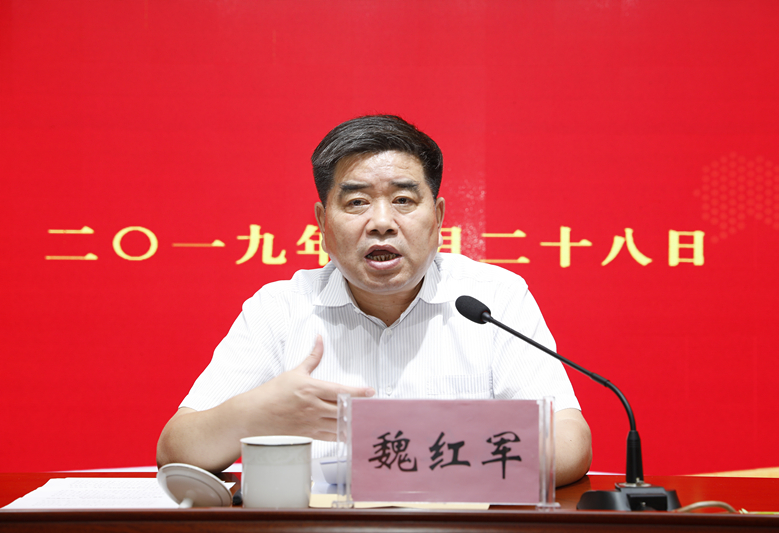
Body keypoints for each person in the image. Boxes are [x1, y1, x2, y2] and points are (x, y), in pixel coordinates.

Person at [156, 115, 592, 486]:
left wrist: (420, 455)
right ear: (323, 223)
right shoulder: (281, 308)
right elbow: (177, 451)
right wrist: (255, 413)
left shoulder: (494, 297)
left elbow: (569, 441)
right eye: (357, 202)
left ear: (438, 216)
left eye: (403, 200)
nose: (381, 222)